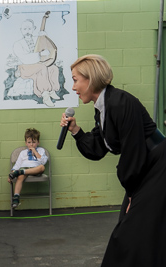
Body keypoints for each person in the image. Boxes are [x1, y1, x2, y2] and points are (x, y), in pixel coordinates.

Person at [59, 54, 166, 266]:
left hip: (159, 166)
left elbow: (133, 153)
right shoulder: (103, 108)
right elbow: (98, 148)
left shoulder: (120, 103)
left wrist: (132, 194)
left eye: (75, 80)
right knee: (134, 230)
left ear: (90, 79)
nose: (73, 87)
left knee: (133, 231)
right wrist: (75, 131)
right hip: (147, 167)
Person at [9, 19, 60, 106]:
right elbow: (25, 58)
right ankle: (45, 95)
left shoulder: (37, 39)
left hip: (37, 65)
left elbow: (44, 44)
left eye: (29, 28)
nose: (27, 31)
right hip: (25, 68)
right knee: (42, 68)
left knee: (53, 68)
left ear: (34, 28)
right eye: (24, 29)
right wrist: (39, 54)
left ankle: (52, 90)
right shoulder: (17, 44)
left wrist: (44, 36)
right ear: (21, 30)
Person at [7, 128, 48, 208]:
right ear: (26, 143)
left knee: (42, 167)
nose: (31, 144)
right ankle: (16, 198)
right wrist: (12, 173)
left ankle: (20, 172)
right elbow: (17, 165)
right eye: (29, 142)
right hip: (23, 169)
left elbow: (43, 162)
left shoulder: (41, 150)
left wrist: (35, 152)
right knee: (20, 177)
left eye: (34, 142)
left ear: (38, 142)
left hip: (35, 170)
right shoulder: (23, 153)